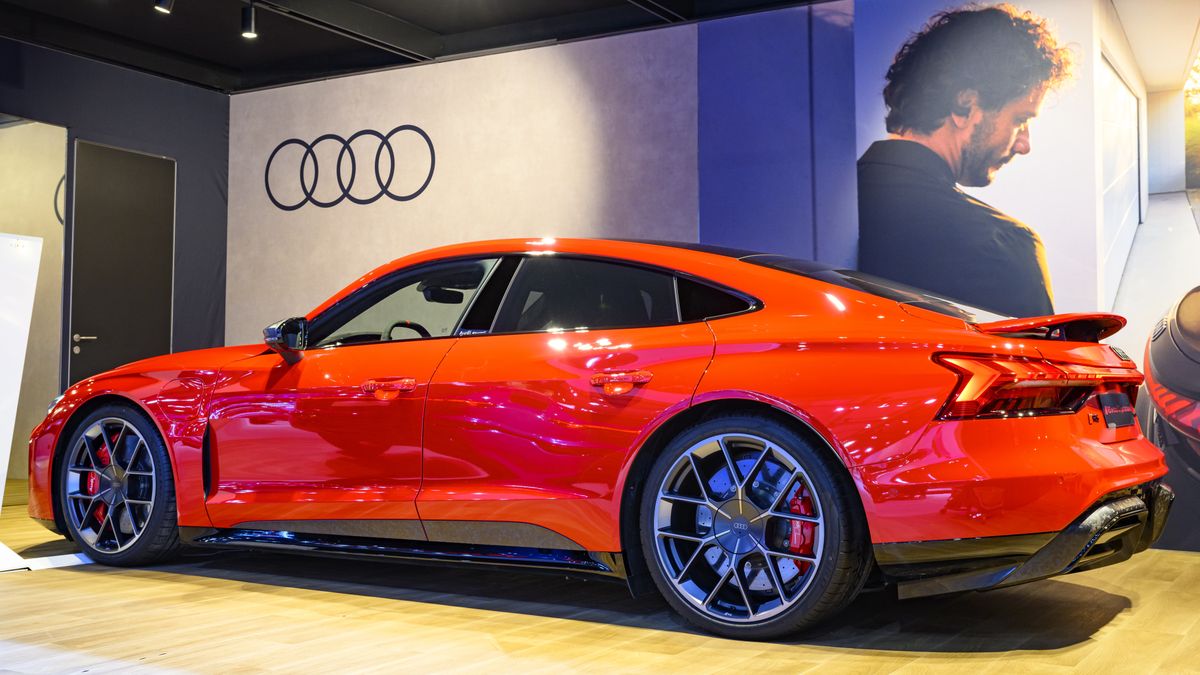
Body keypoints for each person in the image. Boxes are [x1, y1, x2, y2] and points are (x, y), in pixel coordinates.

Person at [857, 4, 1073, 317]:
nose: (1024, 144)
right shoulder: (1005, 246)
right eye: (1020, 119)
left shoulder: (825, 212)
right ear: (965, 107)